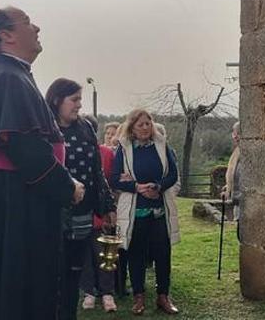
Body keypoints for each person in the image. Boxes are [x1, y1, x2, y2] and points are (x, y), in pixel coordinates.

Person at [0, 6, 84, 319]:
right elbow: (26, 149)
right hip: (15, 200)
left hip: (16, 195)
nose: (37, 28)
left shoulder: (11, 74)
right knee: (16, 289)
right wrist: (67, 187)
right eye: (28, 22)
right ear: (6, 35)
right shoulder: (7, 76)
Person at [44, 80, 116, 318]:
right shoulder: (44, 128)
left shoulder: (85, 127)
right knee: (52, 271)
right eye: (74, 99)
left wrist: (107, 206)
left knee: (74, 270)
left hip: (82, 212)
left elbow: (97, 171)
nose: (79, 105)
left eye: (80, 99)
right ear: (57, 100)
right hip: (51, 214)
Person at [110, 109, 180, 316]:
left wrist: (158, 187)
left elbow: (173, 174)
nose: (145, 128)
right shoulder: (124, 149)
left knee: (163, 253)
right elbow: (114, 178)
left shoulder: (162, 145)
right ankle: (138, 296)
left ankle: (163, 296)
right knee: (136, 253)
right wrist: (137, 187)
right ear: (132, 127)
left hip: (159, 209)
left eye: (148, 123)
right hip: (135, 210)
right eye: (140, 124)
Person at [79, 116, 118, 312]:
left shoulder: (106, 153)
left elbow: (109, 181)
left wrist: (110, 208)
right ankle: (88, 292)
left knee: (105, 255)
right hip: (82, 212)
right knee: (85, 255)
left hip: (101, 211)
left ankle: (107, 293)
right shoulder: (75, 150)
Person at [223, 122, 241, 232]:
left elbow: (240, 175)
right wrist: (228, 187)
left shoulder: (244, 151)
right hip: (238, 201)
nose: (233, 136)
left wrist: (234, 193)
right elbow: (233, 173)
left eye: (234, 133)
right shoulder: (237, 150)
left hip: (242, 202)